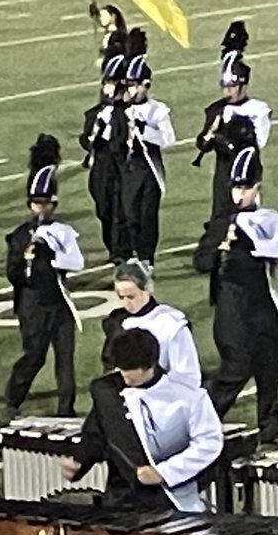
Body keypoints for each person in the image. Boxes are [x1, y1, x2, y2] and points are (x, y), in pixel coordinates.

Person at [193, 147, 278, 448]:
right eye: (236, 187)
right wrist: (220, 247)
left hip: (262, 304)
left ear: (257, 188)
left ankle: (271, 429)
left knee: (269, 368)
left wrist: (250, 240)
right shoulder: (220, 223)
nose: (239, 194)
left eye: (245, 187)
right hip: (231, 307)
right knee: (236, 367)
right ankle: (205, 420)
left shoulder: (265, 220)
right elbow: (199, 262)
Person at [60, 329, 224, 512]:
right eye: (121, 369)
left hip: (170, 501)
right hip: (120, 500)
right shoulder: (106, 392)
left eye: (131, 370)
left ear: (150, 365)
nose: (125, 375)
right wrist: (80, 462)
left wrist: (164, 472)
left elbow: (209, 442)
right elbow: (97, 433)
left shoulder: (189, 397)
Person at [0, 135, 84, 423]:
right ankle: (13, 399)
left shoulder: (62, 232)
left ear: (54, 203)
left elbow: (76, 263)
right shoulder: (20, 234)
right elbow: (13, 274)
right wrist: (27, 261)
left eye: (45, 203)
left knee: (65, 359)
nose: (40, 208)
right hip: (32, 305)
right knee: (34, 355)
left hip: (58, 302)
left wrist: (51, 254)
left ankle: (66, 408)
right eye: (35, 203)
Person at [195, 21, 272, 220]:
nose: (227, 91)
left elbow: (258, 142)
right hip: (223, 172)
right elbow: (202, 144)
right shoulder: (217, 109)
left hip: (246, 170)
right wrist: (210, 134)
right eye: (225, 86)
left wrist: (227, 137)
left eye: (232, 86)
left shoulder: (258, 109)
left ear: (244, 86)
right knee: (220, 217)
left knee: (246, 218)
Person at [101, 259, 202, 388]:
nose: (126, 303)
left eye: (131, 297)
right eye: (121, 297)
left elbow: (187, 376)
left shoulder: (172, 323)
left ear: (147, 290)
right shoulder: (117, 321)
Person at [121, 30, 175, 265]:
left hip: (150, 170)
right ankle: (134, 252)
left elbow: (169, 139)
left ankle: (147, 257)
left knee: (147, 216)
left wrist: (144, 131)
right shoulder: (123, 110)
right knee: (129, 215)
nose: (131, 90)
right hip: (129, 169)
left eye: (135, 86)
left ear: (146, 85)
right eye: (129, 85)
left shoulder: (158, 110)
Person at [80, 51, 128, 263]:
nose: (108, 88)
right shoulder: (96, 113)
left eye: (112, 82)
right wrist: (91, 137)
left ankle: (121, 250)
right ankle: (113, 246)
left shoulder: (128, 113)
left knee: (120, 210)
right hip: (102, 167)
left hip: (121, 167)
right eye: (106, 82)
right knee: (104, 211)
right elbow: (85, 140)